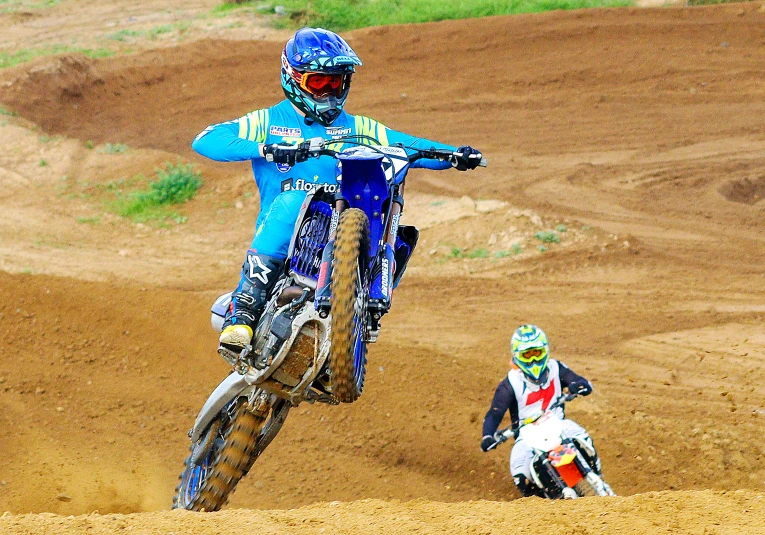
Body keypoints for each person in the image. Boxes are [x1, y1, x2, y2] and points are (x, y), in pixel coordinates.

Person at [192, 27, 483, 355]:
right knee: (293, 201)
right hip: (289, 239)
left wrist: (455, 155)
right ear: (294, 78)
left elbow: (412, 146)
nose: (329, 91)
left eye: (337, 82)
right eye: (319, 82)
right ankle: (243, 308)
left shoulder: (360, 128)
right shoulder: (269, 120)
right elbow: (206, 139)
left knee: (400, 236)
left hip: (343, 229)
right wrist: (269, 149)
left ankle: (361, 319)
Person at [480, 324, 599, 498]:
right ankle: (541, 508)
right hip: (526, 437)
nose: (533, 360)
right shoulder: (511, 382)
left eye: (537, 353)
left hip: (558, 426)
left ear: (545, 350)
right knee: (520, 473)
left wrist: (578, 386)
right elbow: (495, 413)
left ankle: (596, 477)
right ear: (517, 356)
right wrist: (488, 435)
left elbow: (579, 381)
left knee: (584, 440)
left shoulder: (555, 368)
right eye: (527, 355)